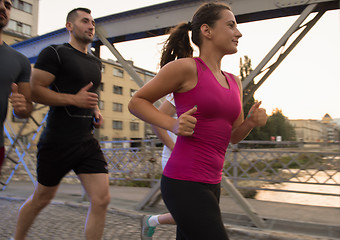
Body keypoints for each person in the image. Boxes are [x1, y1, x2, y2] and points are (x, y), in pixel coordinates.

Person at [129, 2, 267, 239]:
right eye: (231, 25)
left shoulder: (234, 82)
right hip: (184, 181)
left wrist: (251, 123)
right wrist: (172, 124)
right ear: (207, 30)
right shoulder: (186, 68)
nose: (239, 32)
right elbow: (137, 102)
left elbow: (232, 137)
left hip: (212, 183)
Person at [13, 8, 110, 240]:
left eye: (93, 22)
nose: (90, 26)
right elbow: (35, 92)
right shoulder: (54, 53)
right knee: (42, 199)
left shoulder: (95, 63)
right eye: (84, 21)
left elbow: (89, 94)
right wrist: (74, 100)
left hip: (86, 141)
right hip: (58, 140)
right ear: (70, 26)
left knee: (102, 199)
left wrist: (94, 110)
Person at [0, 0, 32, 175]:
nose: (3, 7)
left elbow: (27, 108)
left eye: (8, 4)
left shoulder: (20, 61)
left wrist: (21, 107)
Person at [141, 94, 177, 239]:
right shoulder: (179, 92)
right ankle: (150, 221)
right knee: (189, 214)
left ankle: (151, 221)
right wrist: (175, 149)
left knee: (195, 214)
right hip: (176, 159)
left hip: (201, 161)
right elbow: (155, 122)